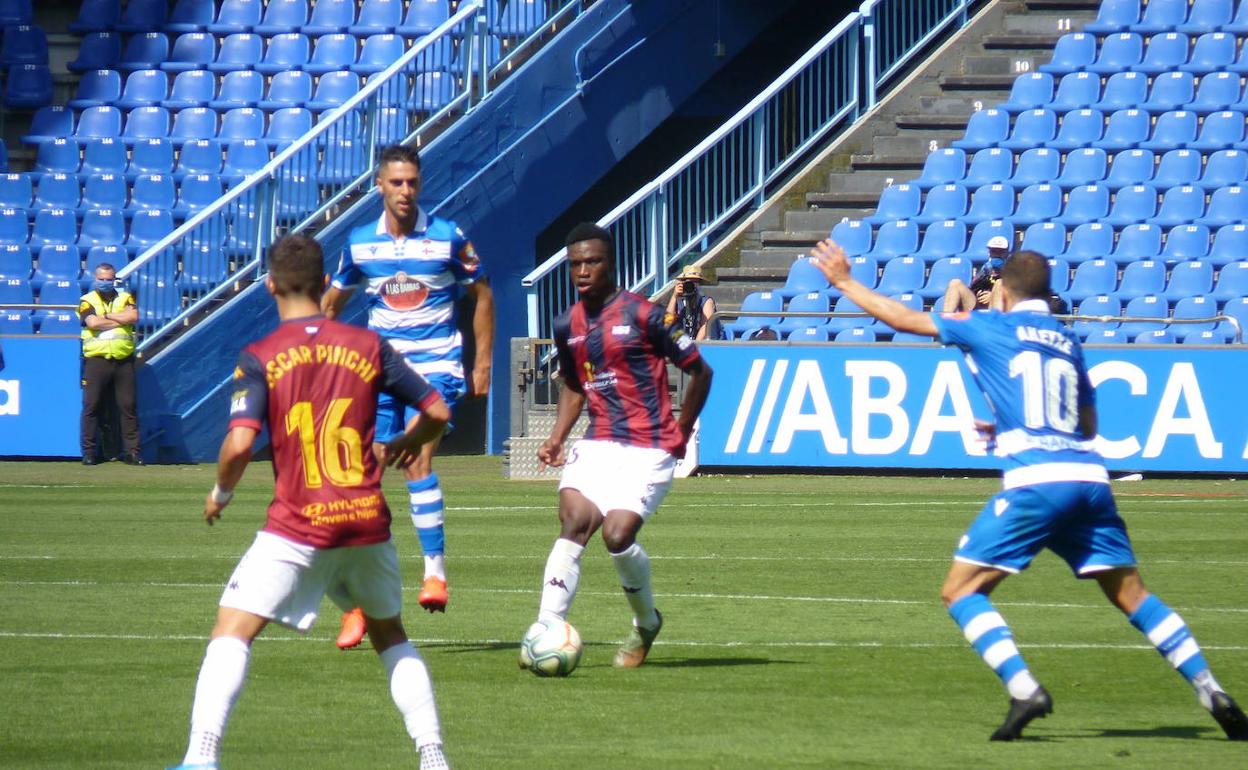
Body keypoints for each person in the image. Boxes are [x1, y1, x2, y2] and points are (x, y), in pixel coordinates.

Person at [809, 239, 1248, 742]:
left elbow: (906, 320)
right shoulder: (1067, 341)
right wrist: (1016, 427)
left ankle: (1024, 689)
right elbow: (1085, 424)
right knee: (1133, 596)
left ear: (1004, 292)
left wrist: (843, 281)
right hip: (1089, 481)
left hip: (1039, 482)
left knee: (960, 591)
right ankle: (1210, 688)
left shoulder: (990, 325)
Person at [167, 234, 453, 770]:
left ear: (269, 284)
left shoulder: (261, 356)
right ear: (326, 283)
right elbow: (436, 410)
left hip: (298, 526)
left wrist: (220, 493)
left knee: (232, 630)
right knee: (391, 636)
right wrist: (407, 445)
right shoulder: (369, 346)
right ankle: (433, 756)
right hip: (367, 522)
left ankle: (201, 757)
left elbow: (237, 444)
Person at [322, 144, 495, 646]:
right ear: (379, 185)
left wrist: (481, 362)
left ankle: (435, 574)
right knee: (364, 478)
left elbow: (482, 293)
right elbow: (331, 304)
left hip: (434, 365)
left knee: (418, 460)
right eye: (395, 183)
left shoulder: (446, 237)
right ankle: (358, 603)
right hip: (377, 372)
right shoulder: (359, 245)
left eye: (412, 183)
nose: (404, 191)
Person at [530, 223, 713, 669]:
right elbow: (575, 384)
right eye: (575, 264)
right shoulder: (566, 324)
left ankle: (646, 621)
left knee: (616, 534)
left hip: (649, 446)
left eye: (592, 262)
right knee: (574, 520)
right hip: (598, 443)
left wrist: (682, 429)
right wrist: (557, 436)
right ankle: (544, 628)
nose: (583, 271)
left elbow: (701, 371)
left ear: (610, 264)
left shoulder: (647, 315)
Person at [78, 262, 142, 466]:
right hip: (97, 360)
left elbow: (133, 316)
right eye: (102, 279)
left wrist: (105, 317)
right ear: (95, 278)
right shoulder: (86, 300)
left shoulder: (125, 297)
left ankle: (132, 452)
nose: (105, 283)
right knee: (92, 406)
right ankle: (89, 452)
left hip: (123, 360)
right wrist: (119, 319)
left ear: (114, 279)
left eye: (109, 279)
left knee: (128, 407)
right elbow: (92, 323)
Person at [942, 235, 1011, 313]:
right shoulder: (985, 269)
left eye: (1000, 251)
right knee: (955, 283)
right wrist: (977, 294)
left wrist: (992, 296)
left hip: (998, 310)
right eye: (994, 251)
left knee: (1000, 284)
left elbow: (1020, 296)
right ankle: (946, 320)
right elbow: (973, 287)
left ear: (1007, 252)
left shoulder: (1014, 270)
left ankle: (994, 323)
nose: (997, 254)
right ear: (989, 252)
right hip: (977, 307)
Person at [665, 264, 721, 341]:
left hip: (702, 343)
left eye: (695, 282)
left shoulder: (706, 301)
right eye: (688, 282)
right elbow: (667, 321)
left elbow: (706, 326)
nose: (691, 285)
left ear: (700, 284)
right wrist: (674, 296)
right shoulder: (678, 301)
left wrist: (693, 347)